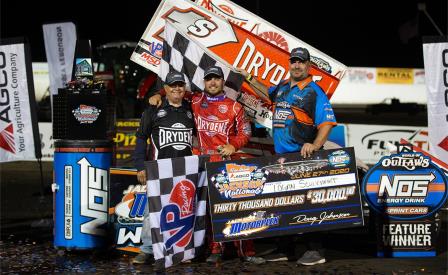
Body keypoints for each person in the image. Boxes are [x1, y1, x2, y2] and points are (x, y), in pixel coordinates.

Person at [148, 65, 265, 265]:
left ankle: (247, 251)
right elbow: (174, 90)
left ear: (222, 82)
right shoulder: (195, 100)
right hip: (201, 163)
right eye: (209, 79)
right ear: (204, 82)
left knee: (235, 208)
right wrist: (157, 94)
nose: (212, 82)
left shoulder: (234, 106)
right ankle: (215, 249)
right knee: (207, 209)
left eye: (216, 79)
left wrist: (233, 145)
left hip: (226, 163)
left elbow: (245, 133)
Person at [237, 47, 337, 266]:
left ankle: (316, 250)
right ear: (289, 64)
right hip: (282, 157)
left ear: (309, 66)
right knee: (283, 205)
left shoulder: (314, 91)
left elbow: (327, 122)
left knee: (307, 204)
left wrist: (315, 144)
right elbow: (267, 94)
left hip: (302, 156)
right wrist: (250, 78)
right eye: (294, 61)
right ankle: (285, 249)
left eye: (301, 62)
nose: (297, 65)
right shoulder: (283, 86)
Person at [132, 71, 195, 264]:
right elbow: (141, 138)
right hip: (158, 169)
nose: (177, 88)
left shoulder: (191, 110)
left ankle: (180, 248)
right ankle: (147, 249)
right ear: (166, 88)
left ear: (185, 88)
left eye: (180, 85)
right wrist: (139, 166)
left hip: (183, 170)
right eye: (172, 85)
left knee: (183, 209)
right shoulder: (153, 109)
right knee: (152, 211)